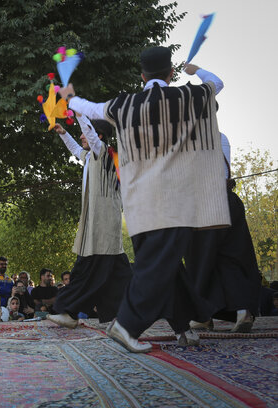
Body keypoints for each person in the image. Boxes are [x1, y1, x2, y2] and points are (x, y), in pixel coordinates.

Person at [59, 46, 228, 352]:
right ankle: (128, 325)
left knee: (167, 266)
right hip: (174, 200)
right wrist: (196, 71)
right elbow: (217, 84)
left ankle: (185, 324)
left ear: (141, 75)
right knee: (160, 265)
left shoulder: (125, 104)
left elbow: (92, 109)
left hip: (138, 206)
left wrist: (71, 98)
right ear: (171, 73)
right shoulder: (185, 97)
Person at [47, 115, 133, 329]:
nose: (81, 136)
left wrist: (76, 109)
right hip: (101, 223)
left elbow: (90, 139)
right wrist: (64, 134)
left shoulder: (103, 151)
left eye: (85, 133)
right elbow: (77, 150)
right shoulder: (92, 156)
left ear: (98, 136)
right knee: (118, 274)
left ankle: (69, 311)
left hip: (102, 223)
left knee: (86, 269)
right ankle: (120, 316)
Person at [187, 130, 261, 332]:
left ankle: (202, 314)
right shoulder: (222, 137)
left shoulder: (188, 136)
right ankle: (242, 311)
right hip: (229, 199)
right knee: (232, 257)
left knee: (200, 260)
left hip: (205, 203)